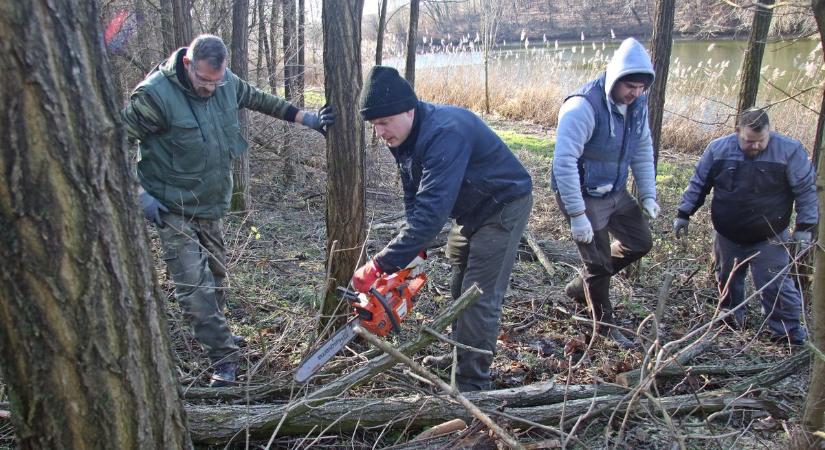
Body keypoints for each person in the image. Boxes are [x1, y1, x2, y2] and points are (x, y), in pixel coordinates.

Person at [121, 34, 334, 386]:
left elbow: (259, 99)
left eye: (216, 81)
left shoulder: (225, 83)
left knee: (216, 280)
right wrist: (138, 193)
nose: (210, 88)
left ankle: (218, 338)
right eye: (204, 80)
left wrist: (306, 118)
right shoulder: (154, 95)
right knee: (194, 287)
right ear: (188, 64)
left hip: (211, 203)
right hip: (172, 207)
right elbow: (115, 142)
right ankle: (223, 360)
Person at [351, 66, 533, 391]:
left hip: (503, 204)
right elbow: (415, 193)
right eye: (374, 124)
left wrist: (380, 263)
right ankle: (460, 354)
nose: (379, 131)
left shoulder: (444, 132)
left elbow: (433, 213)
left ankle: (472, 385)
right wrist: (414, 248)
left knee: (478, 296)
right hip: (470, 208)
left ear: (408, 109)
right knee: (458, 284)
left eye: (383, 122)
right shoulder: (403, 134)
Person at [673, 108, 816, 345]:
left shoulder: (789, 151)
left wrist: (805, 226)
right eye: (750, 141)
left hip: (770, 235)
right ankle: (730, 319)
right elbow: (699, 183)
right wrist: (684, 213)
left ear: (769, 133)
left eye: (762, 141)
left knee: (776, 285)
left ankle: (787, 332)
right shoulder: (718, 149)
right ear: (738, 132)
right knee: (727, 279)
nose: (756, 146)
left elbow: (805, 191)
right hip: (728, 233)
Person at [551, 37, 659, 349]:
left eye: (641, 87)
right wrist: (576, 214)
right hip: (582, 193)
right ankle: (605, 325)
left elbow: (642, 148)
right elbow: (564, 161)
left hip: (614, 190)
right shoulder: (582, 106)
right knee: (598, 266)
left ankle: (580, 285)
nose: (636, 93)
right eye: (630, 86)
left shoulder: (637, 106)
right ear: (615, 78)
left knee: (640, 242)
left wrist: (648, 194)